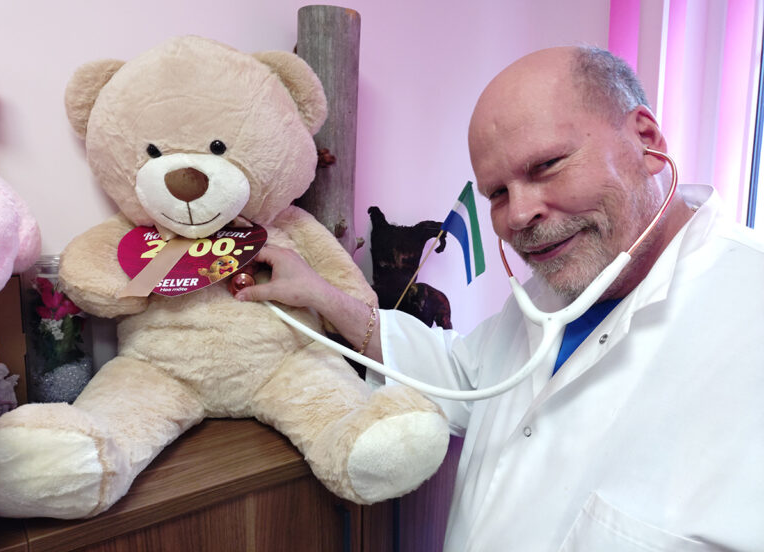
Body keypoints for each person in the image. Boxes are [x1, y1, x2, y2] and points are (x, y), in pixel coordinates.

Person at [237, 46, 764, 551]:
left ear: (645, 139)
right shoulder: (554, 293)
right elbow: (465, 378)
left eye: (547, 164)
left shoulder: (746, 315)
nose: (518, 215)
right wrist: (322, 294)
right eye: (498, 193)